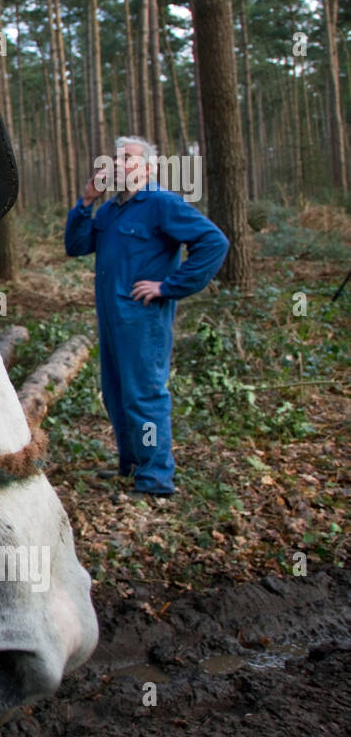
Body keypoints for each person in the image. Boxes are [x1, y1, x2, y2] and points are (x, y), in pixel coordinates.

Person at [64, 136, 229, 496]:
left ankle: (155, 479)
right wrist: (87, 201)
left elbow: (214, 242)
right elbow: (76, 246)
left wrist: (168, 286)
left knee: (144, 394)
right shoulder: (110, 210)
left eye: (128, 158)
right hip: (110, 319)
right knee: (115, 392)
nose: (118, 163)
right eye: (116, 157)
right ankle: (132, 465)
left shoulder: (162, 204)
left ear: (150, 168)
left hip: (143, 319)